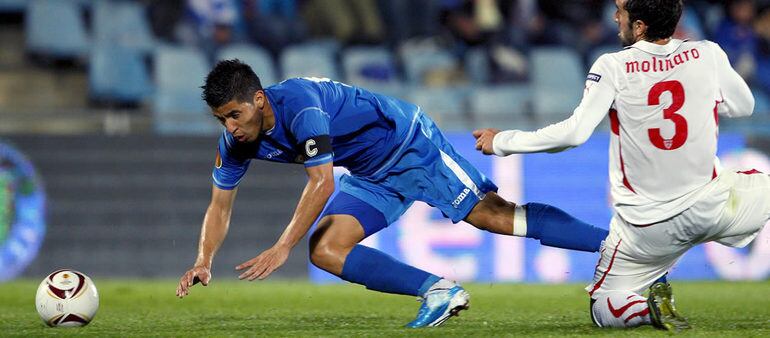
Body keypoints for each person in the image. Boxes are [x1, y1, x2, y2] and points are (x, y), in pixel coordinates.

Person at [174, 60, 610, 327]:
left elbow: (321, 182)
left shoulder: (301, 105)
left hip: (407, 143)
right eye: (221, 119)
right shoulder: (234, 142)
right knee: (326, 249)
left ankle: (615, 243)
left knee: (493, 216)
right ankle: (439, 291)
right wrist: (203, 260)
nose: (230, 127)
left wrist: (281, 246)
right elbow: (219, 204)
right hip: (369, 171)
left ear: (260, 100)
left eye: (235, 114)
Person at [473, 0, 764, 332]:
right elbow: (744, 106)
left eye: (621, 12)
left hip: (650, 227)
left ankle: (643, 310)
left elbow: (573, 134)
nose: (615, 17)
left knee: (604, 307)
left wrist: (502, 141)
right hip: (719, 206)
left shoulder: (613, 65)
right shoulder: (707, 53)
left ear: (639, 26)